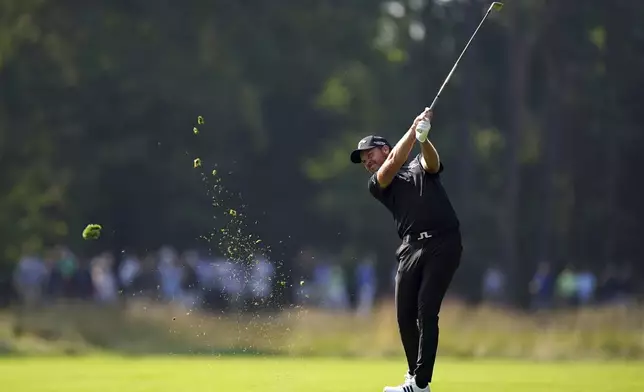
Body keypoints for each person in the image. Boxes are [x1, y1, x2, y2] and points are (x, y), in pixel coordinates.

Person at [350, 108, 462, 392]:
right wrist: (414, 131)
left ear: (384, 148)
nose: (367, 162)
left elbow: (432, 164)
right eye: (363, 160)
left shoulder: (418, 166)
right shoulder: (378, 184)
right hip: (410, 247)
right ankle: (415, 378)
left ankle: (421, 383)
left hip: (443, 242)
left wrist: (424, 138)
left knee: (426, 310)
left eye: (369, 155)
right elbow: (391, 165)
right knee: (404, 315)